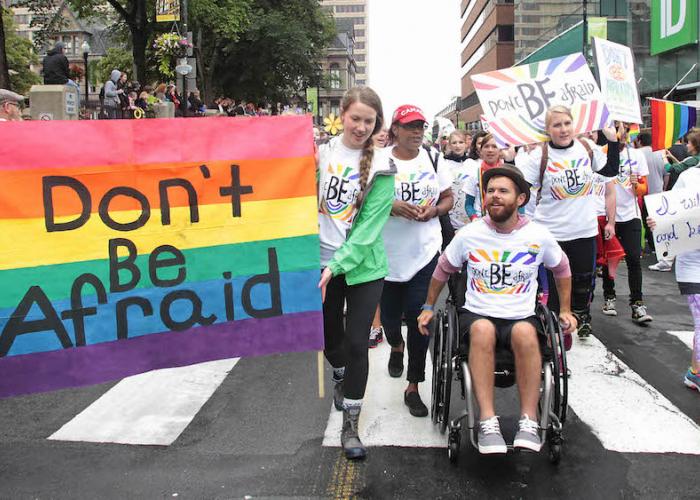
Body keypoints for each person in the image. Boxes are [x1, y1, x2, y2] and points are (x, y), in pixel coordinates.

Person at [417, 165, 576, 454]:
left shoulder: (538, 235)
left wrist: (565, 309)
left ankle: (529, 419)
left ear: (521, 199)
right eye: (490, 191)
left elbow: (561, 268)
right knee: (482, 330)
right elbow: (443, 269)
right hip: (478, 312)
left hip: (521, 314)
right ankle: (487, 420)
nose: (495, 196)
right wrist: (429, 306)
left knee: (526, 334)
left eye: (503, 191)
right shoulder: (469, 234)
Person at [317, 86, 396, 459]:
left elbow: (367, 230)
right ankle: (338, 373)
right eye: (356, 118)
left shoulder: (381, 166)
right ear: (342, 115)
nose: (362, 127)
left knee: (356, 342)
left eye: (370, 121)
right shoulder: (320, 154)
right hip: (318, 263)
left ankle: (351, 424)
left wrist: (337, 265)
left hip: (362, 267)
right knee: (330, 340)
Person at [517, 106, 620, 337]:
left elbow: (610, 171)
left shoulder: (587, 148)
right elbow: (519, 189)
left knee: (583, 285)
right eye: (557, 125)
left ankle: (581, 317)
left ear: (573, 125)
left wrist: (613, 141)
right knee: (554, 292)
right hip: (551, 233)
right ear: (548, 129)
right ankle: (555, 340)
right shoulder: (539, 156)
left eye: (566, 123)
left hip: (583, 230)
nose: (563, 129)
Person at [381, 104, 453, 418]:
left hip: (425, 252)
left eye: (420, 127)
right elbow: (361, 202)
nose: (417, 132)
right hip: (385, 256)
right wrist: (390, 205)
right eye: (410, 126)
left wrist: (435, 210)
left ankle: (414, 385)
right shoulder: (379, 162)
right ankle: (395, 345)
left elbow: (448, 197)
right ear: (395, 129)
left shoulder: (434, 158)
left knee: (420, 319)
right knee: (389, 321)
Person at [647, 165, 700, 392]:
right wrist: (656, 223)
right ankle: (697, 374)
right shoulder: (689, 177)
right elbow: (668, 213)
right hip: (693, 264)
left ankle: (694, 370)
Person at [600, 127, 652, 323]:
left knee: (633, 258)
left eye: (625, 130)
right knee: (610, 259)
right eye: (618, 129)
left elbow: (643, 189)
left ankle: (637, 303)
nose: (622, 134)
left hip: (631, 215)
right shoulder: (602, 153)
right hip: (608, 215)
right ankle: (609, 297)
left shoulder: (637, 155)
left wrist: (636, 185)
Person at [464, 133, 503, 219]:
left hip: (504, 223)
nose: (490, 150)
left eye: (494, 146)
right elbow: (468, 204)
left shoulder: (508, 172)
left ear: (500, 150)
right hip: (481, 222)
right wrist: (474, 218)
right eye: (486, 146)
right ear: (480, 151)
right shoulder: (474, 173)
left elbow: (519, 204)